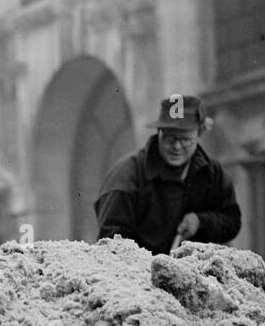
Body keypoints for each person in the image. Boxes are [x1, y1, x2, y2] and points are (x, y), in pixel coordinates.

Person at [94, 94, 241, 254]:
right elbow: (111, 246)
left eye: (185, 139)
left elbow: (232, 222)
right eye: (169, 138)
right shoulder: (126, 177)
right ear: (159, 132)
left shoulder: (212, 174)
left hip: (195, 274)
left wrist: (200, 221)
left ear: (199, 133)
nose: (176, 147)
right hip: (139, 274)